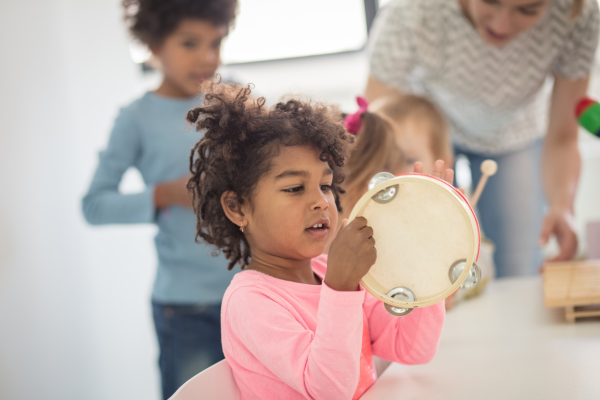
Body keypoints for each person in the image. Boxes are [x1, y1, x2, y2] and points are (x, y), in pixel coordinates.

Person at [185, 80, 446, 400]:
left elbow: (413, 347)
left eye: (326, 186)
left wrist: (431, 248)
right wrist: (340, 287)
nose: (322, 202)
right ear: (237, 208)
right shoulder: (250, 302)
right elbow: (330, 390)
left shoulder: (329, 271)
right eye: (295, 188)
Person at [365, 0, 599, 277]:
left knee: (518, 268)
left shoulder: (580, 17)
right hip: (427, 136)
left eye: (527, 10)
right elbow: (373, 133)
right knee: (425, 259)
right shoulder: (411, 11)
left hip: (513, 134)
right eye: (490, 1)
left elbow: (563, 136)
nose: (501, 24)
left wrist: (563, 205)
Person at [82, 1, 237, 398]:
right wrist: (165, 194)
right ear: (153, 45)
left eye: (215, 43)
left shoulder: (235, 100)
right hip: (185, 309)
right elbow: (94, 205)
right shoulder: (136, 118)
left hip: (254, 293)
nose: (207, 57)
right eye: (189, 43)